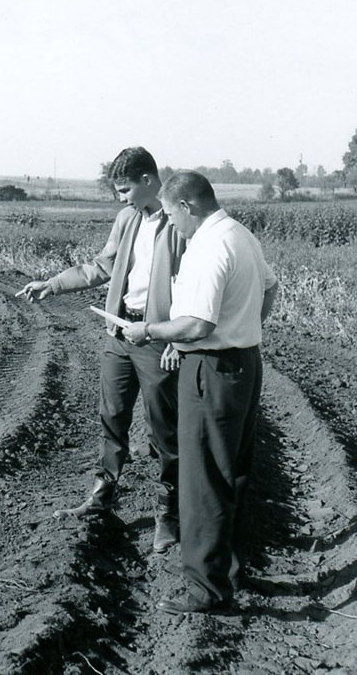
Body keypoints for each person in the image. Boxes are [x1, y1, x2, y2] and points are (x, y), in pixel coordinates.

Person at [122, 171, 278, 614]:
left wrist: (148, 331)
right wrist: (246, 327)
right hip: (244, 362)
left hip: (210, 369)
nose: (171, 224)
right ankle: (227, 567)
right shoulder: (240, 234)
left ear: (187, 206)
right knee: (232, 470)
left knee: (203, 478)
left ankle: (205, 590)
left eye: (171, 215)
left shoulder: (209, 247)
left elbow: (197, 325)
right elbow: (270, 287)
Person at [17, 146, 185, 553]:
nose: (120, 198)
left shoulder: (180, 223)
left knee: (164, 427)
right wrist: (52, 283)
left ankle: (170, 511)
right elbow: (102, 266)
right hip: (120, 334)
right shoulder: (127, 218)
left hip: (156, 337)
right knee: (111, 415)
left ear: (149, 180)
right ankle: (102, 495)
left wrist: (177, 341)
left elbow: (194, 285)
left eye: (125, 189)